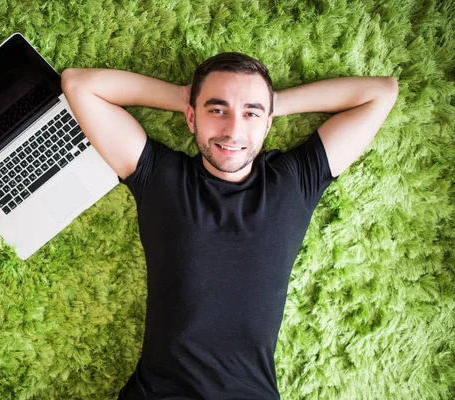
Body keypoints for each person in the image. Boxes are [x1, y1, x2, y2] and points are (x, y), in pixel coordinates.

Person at [61, 53, 398, 400]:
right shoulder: (160, 177)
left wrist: (273, 103)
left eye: (250, 114)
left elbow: (381, 92)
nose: (233, 130)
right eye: (217, 110)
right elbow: (78, 84)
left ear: (267, 124)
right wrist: (183, 96)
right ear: (191, 117)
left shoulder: (294, 181)